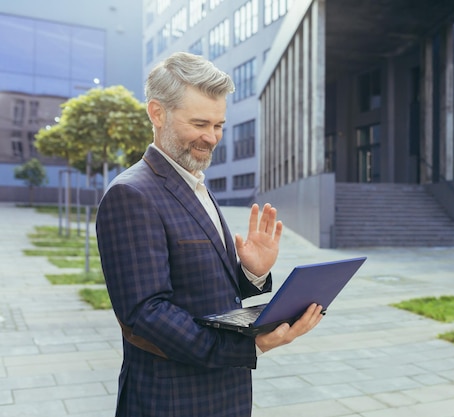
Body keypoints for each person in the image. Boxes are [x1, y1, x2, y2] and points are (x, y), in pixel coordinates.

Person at [96, 51, 324, 417]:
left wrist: (252, 272)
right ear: (157, 113)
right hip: (171, 401)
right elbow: (146, 314)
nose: (211, 138)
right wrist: (252, 347)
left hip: (224, 394)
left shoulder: (194, 184)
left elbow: (203, 287)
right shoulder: (132, 194)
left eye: (218, 125)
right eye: (200, 123)